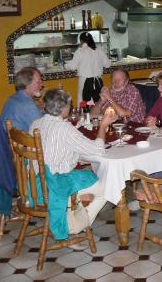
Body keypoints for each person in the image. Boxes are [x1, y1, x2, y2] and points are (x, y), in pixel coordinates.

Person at [30, 89, 117, 240]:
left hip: (34, 184)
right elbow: (97, 150)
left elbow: (51, 150)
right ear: (64, 108)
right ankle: (78, 225)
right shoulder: (64, 129)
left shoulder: (36, 123)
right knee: (108, 187)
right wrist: (103, 126)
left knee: (87, 176)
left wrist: (75, 155)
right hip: (54, 186)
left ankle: (73, 210)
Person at [65, 32, 111, 104]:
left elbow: (73, 66)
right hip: (98, 81)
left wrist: (66, 65)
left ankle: (85, 115)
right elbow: (108, 64)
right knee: (98, 102)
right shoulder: (99, 50)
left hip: (84, 82)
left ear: (81, 41)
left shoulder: (80, 51)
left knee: (84, 103)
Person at [1, 67, 43, 131]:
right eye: (38, 81)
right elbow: (43, 130)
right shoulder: (28, 105)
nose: (41, 84)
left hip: (8, 138)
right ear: (27, 83)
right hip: (25, 140)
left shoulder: (13, 98)